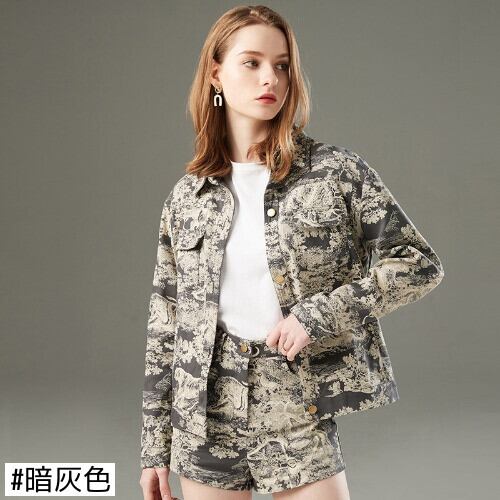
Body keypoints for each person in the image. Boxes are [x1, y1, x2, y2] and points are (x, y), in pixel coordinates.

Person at [139, 5, 444, 500]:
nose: (270, 78)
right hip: (204, 416)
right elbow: (165, 324)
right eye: (252, 62)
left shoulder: (334, 172)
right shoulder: (187, 197)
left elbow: (418, 264)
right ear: (216, 74)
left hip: (295, 400)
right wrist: (155, 447)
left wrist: (316, 316)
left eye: (281, 65)